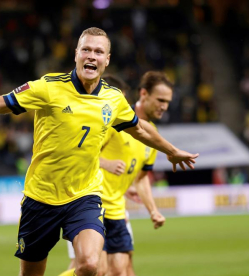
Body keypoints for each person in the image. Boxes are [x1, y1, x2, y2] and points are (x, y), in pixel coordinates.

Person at [0, 27, 198, 276]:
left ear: (107, 60)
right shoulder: (48, 87)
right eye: (86, 50)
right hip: (40, 197)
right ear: (76, 54)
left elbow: (140, 129)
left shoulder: (114, 99)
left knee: (92, 265)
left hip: (84, 195)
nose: (91, 55)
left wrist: (171, 151)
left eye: (98, 51)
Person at [60, 72, 173, 276]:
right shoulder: (114, 119)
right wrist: (106, 163)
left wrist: (153, 210)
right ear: (144, 94)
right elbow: (81, 153)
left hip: (117, 210)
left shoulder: (152, 134)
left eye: (168, 102)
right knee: (95, 269)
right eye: (160, 100)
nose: (164, 106)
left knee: (121, 271)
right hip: (91, 205)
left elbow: (141, 178)